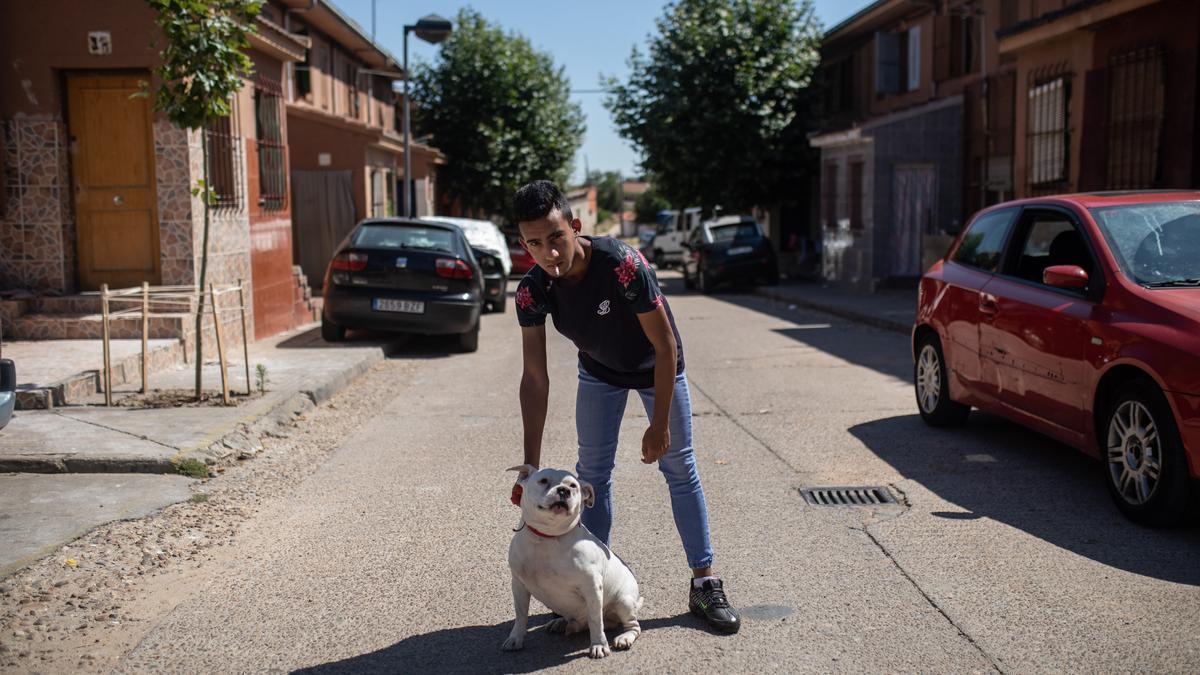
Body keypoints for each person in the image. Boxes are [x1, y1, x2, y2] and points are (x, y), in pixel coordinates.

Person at [511, 180, 740, 634]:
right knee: (592, 474)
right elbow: (535, 379)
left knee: (679, 466)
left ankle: (705, 581)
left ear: (575, 227)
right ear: (524, 245)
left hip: (658, 367)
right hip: (599, 371)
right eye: (535, 244)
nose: (549, 253)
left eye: (556, 237)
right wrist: (530, 465)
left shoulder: (621, 265)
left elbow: (665, 342)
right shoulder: (532, 291)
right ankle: (592, 583)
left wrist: (658, 424)